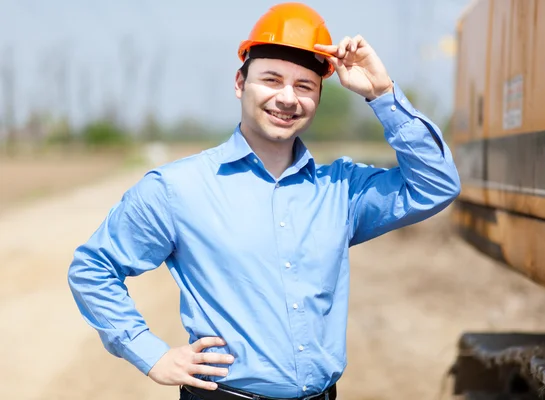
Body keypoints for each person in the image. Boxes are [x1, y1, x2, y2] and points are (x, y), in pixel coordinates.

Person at [67, 2, 461, 400]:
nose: (287, 98)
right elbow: (93, 269)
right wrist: (152, 355)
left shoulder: (340, 190)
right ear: (240, 83)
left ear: (318, 98)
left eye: (304, 86)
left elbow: (436, 183)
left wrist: (382, 93)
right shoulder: (177, 188)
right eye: (271, 80)